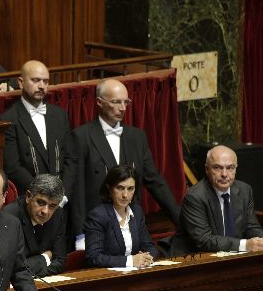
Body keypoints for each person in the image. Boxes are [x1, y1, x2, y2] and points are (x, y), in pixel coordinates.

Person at [64, 78, 181, 250]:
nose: (122, 108)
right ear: (99, 103)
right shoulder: (81, 137)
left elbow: (154, 180)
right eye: (116, 102)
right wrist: (81, 234)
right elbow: (77, 190)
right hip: (98, 227)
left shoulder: (137, 137)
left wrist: (180, 218)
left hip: (130, 224)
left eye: (126, 102)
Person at [170, 145, 263, 255]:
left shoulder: (245, 190)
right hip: (195, 258)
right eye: (217, 168)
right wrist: (245, 245)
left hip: (231, 255)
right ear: (207, 169)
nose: (224, 174)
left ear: (236, 169)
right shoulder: (195, 196)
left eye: (230, 167)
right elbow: (203, 240)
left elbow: (251, 226)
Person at [0, 60, 71, 195]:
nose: (41, 86)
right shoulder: (8, 119)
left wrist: (63, 192)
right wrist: (42, 193)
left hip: (62, 198)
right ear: (21, 82)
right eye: (36, 80)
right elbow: (12, 167)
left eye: (45, 82)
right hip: (30, 197)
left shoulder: (60, 115)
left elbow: (70, 158)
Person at [84, 165, 157, 268]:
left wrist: (146, 258)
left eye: (130, 188)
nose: (125, 195)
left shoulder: (137, 212)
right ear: (109, 188)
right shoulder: (98, 216)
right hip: (108, 278)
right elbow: (94, 257)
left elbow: (150, 246)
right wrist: (131, 261)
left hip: (136, 274)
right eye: (120, 188)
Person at [3, 174, 67, 276]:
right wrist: (45, 258)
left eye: (52, 206)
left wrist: (34, 271)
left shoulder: (58, 215)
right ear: (28, 196)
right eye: (41, 202)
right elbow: (10, 268)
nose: (45, 211)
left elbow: (60, 261)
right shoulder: (9, 217)